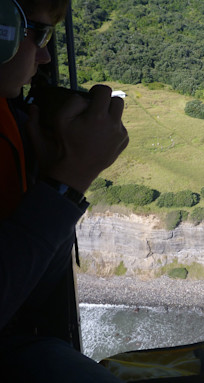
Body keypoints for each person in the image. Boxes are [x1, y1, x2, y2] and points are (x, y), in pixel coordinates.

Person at [0, 0, 128, 381]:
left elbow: (35, 287)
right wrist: (68, 181)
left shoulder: (11, 113)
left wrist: (46, 176)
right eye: (37, 32)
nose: (42, 56)